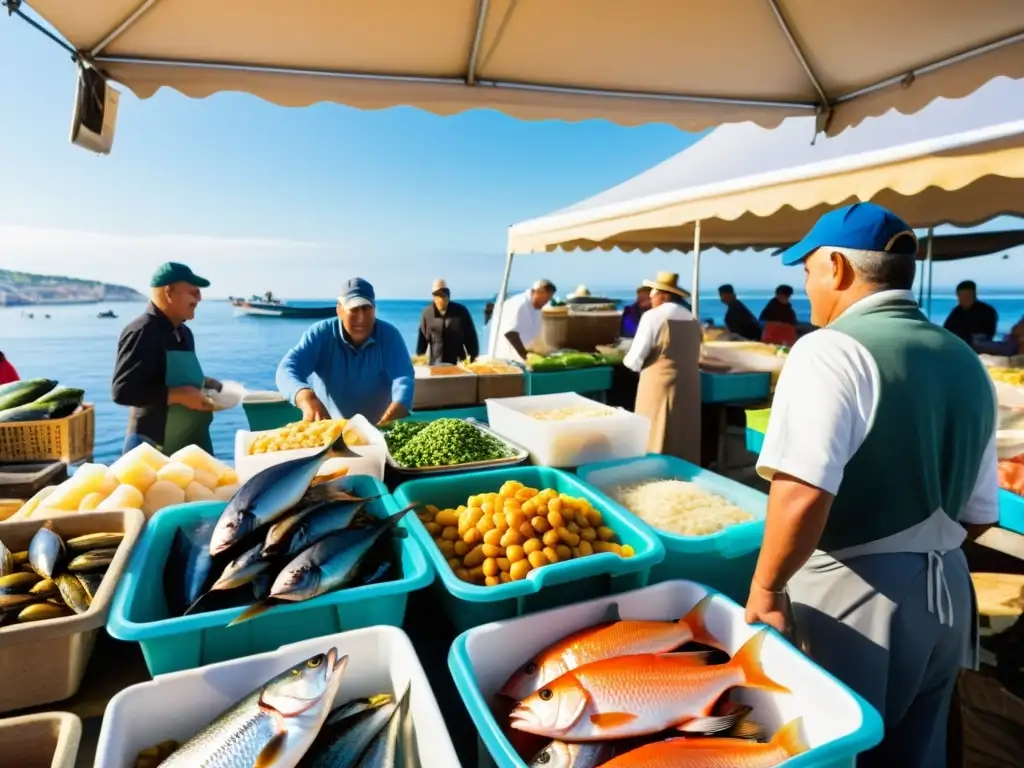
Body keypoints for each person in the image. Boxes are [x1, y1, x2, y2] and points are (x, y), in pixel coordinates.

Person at [746, 202, 996, 767]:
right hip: (948, 592)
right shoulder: (965, 359)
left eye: (806, 270)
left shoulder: (828, 350)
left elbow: (802, 490)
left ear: (836, 266)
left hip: (854, 593)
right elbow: (981, 515)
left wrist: (766, 587)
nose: (807, 287)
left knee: (832, 748)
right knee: (917, 752)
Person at [111, 263, 221, 456]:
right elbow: (123, 391)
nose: (199, 299)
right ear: (168, 292)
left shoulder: (184, 332)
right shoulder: (142, 331)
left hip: (190, 444)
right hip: (153, 448)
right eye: (193, 293)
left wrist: (203, 383)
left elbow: (168, 375)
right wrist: (180, 395)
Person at [276, 277, 414, 425]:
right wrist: (304, 395)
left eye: (366, 308)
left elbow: (403, 377)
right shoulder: (321, 334)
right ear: (339, 310)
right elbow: (287, 369)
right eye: (353, 309)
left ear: (374, 310)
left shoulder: (389, 336)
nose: (361, 317)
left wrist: (398, 407)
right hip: (330, 432)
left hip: (380, 430)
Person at [624, 272, 702, 463]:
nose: (650, 299)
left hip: (659, 385)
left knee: (656, 434)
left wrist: (625, 360)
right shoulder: (692, 318)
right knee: (683, 436)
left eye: (652, 295)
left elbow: (635, 359)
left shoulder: (653, 316)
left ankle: (655, 473)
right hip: (689, 385)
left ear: (664, 296)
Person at [415, 279, 479, 365]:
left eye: (445, 293)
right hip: (435, 365)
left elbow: (471, 338)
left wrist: (472, 358)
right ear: (434, 296)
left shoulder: (461, 312)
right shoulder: (427, 314)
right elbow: (421, 341)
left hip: (458, 364)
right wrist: (420, 361)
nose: (442, 297)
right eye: (438, 294)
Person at [491, 279, 556, 361]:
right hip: (509, 359)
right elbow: (510, 332)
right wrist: (524, 355)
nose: (546, 302)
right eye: (546, 299)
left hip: (524, 358)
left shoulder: (536, 308)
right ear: (539, 292)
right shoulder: (518, 303)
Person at [943, 280, 999, 345]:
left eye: (968, 297)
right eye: (962, 297)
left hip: (979, 343)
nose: (965, 300)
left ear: (974, 295)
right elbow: (946, 330)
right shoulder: (956, 312)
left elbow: (988, 333)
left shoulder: (987, 311)